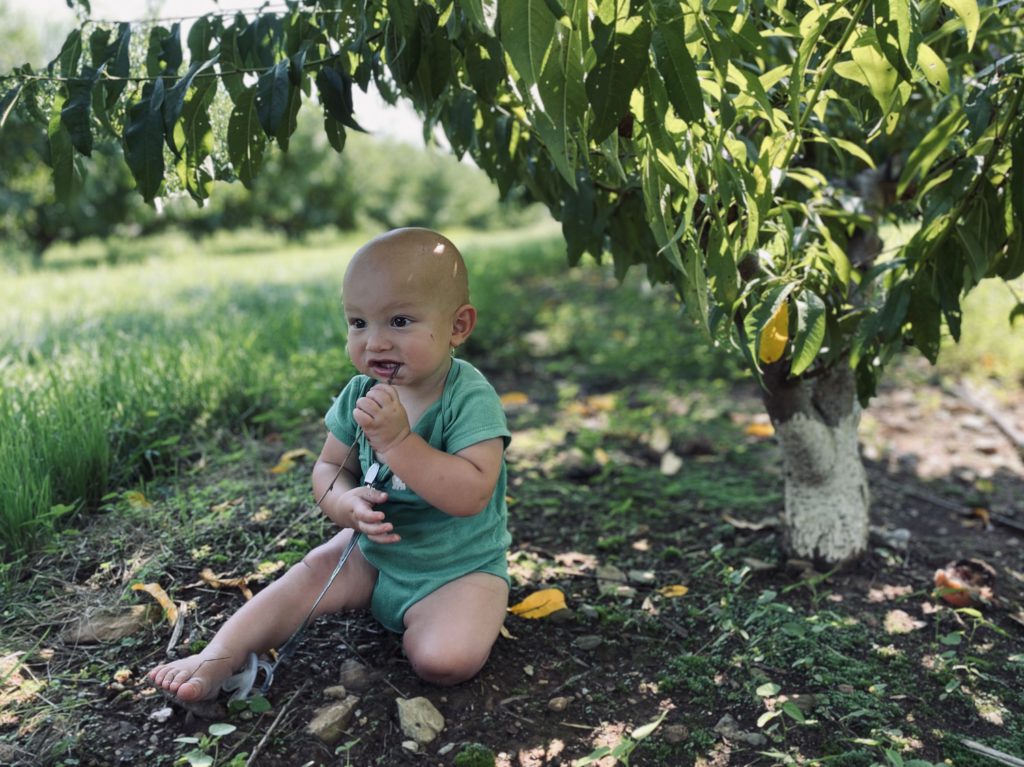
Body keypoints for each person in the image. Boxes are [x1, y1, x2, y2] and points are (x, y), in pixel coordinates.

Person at [149, 228, 512, 700]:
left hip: (458, 566)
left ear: (458, 326)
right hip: (374, 555)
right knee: (305, 576)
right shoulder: (359, 395)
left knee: (444, 660)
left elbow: (472, 493)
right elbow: (328, 470)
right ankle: (219, 655)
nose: (375, 342)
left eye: (399, 321)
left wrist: (398, 441)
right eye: (358, 323)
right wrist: (344, 505)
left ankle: (445, 613)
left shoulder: (469, 399)